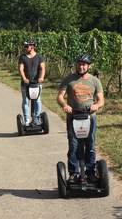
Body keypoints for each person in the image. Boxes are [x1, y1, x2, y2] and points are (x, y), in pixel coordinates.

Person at [57, 55, 104, 183]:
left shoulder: (95, 81)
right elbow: (60, 96)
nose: (81, 66)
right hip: (73, 116)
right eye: (79, 64)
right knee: (73, 145)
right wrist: (65, 105)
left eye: (84, 64)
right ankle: (74, 173)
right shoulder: (69, 79)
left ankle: (90, 172)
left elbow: (101, 100)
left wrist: (96, 105)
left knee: (90, 145)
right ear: (76, 65)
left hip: (90, 117)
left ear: (88, 66)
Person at [18, 39, 46, 125]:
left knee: (37, 101)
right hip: (25, 84)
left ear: (32, 46)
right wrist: (24, 78)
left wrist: (41, 77)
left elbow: (42, 68)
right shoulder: (22, 57)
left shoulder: (39, 57)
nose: (25, 48)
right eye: (24, 46)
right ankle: (26, 120)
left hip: (37, 83)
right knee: (26, 102)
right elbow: (20, 69)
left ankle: (36, 118)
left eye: (27, 46)